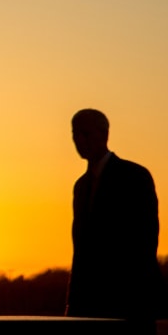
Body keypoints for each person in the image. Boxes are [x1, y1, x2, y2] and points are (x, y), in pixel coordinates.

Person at [65, 108, 166, 327]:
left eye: (85, 133)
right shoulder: (81, 187)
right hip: (90, 305)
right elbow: (80, 251)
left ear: (104, 134)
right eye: (75, 134)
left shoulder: (134, 176)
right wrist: (73, 305)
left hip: (130, 303)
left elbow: (145, 242)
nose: (79, 140)